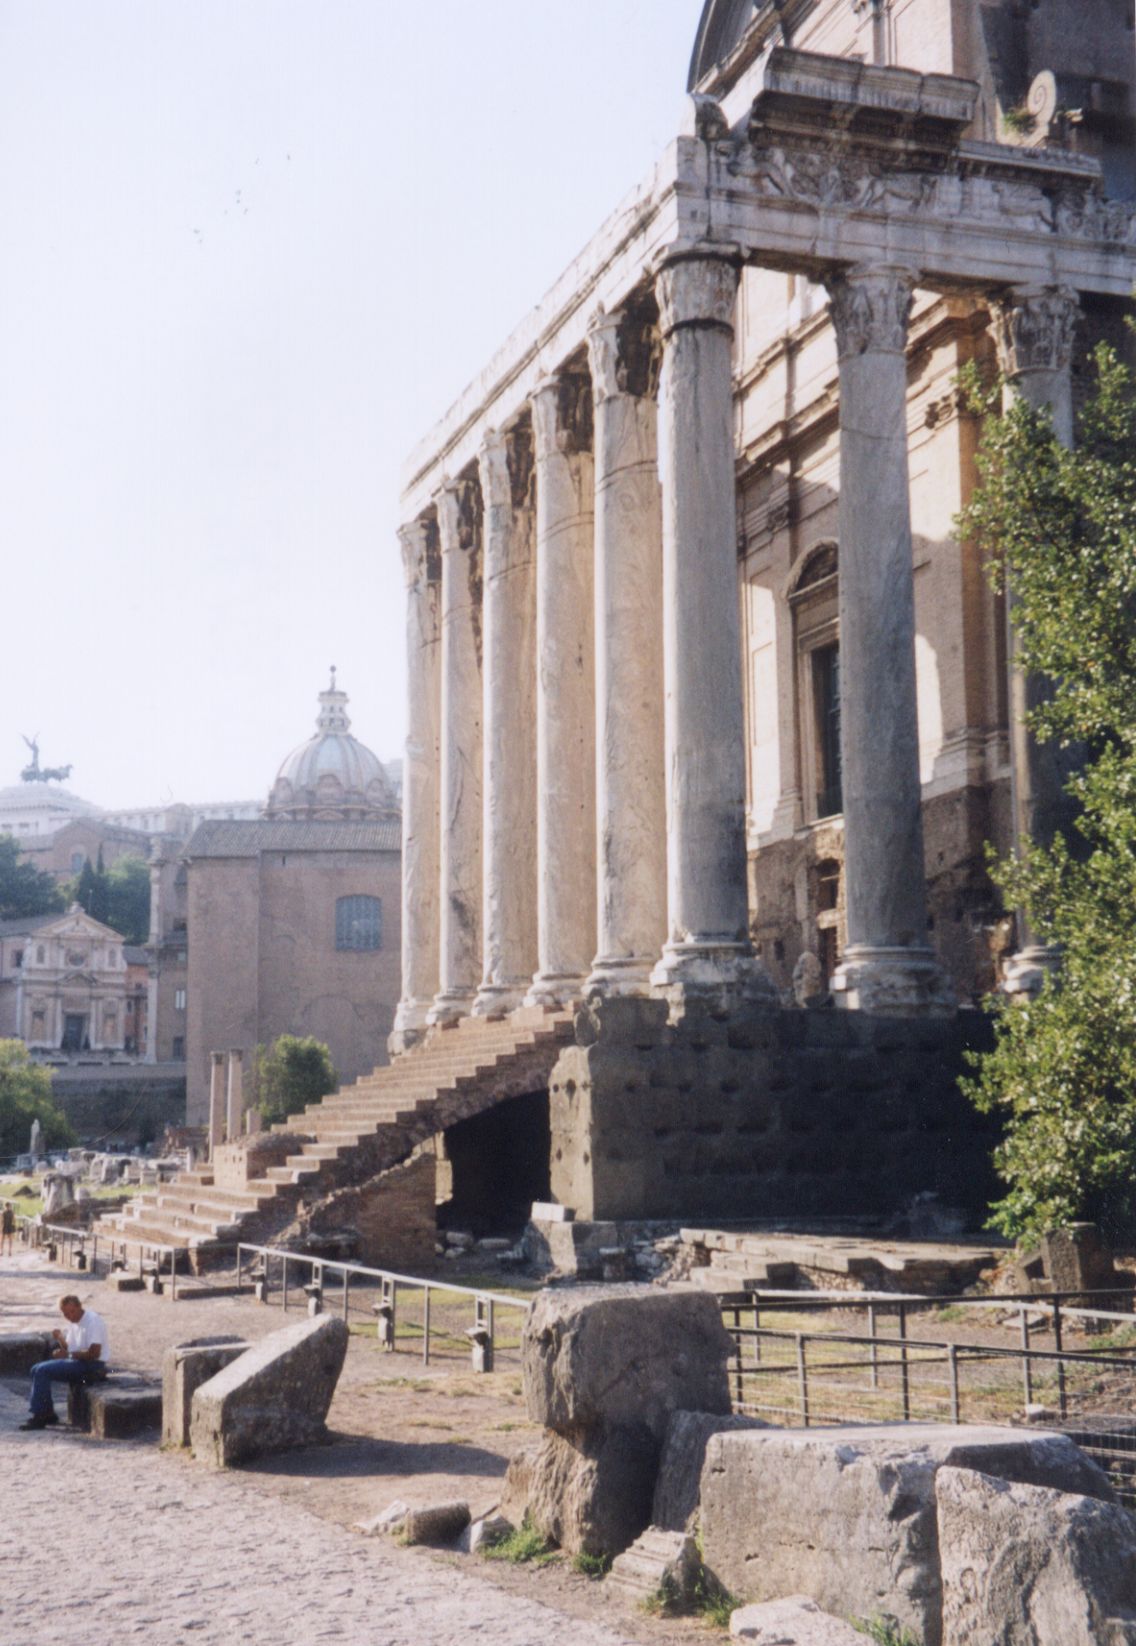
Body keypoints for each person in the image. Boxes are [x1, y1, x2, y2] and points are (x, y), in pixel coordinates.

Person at [20, 1295, 110, 1430]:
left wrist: (67, 1354)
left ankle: (41, 1415)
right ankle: (47, 1412)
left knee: (42, 1371)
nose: (69, 1316)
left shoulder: (93, 1321)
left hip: (93, 1366)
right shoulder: (74, 1321)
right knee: (35, 1368)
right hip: (79, 1362)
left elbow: (94, 1353)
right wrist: (60, 1339)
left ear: (79, 1307)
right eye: (65, 1314)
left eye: (72, 1312)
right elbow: (71, 1348)